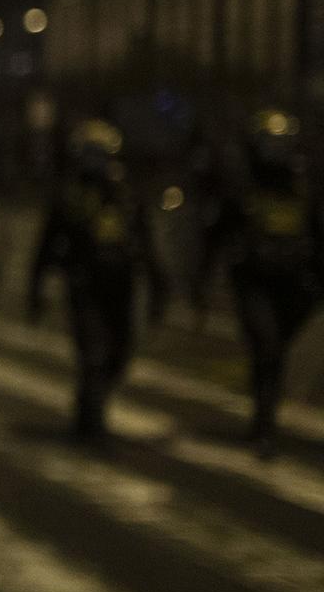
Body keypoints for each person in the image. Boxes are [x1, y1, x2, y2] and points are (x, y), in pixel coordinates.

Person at [28, 119, 166, 441]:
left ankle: (90, 403)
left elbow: (145, 244)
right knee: (93, 354)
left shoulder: (127, 196)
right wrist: (36, 291)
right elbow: (46, 247)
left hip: (121, 287)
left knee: (119, 353)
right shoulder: (69, 198)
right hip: (84, 285)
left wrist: (160, 286)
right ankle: (91, 422)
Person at [198, 110, 324, 455]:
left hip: (295, 286)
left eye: (281, 142)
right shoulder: (242, 186)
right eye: (268, 141)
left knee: (274, 353)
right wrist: (203, 281)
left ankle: (264, 411)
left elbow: (317, 235)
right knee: (267, 346)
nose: (275, 149)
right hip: (255, 282)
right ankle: (264, 424)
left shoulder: (302, 186)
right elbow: (216, 235)